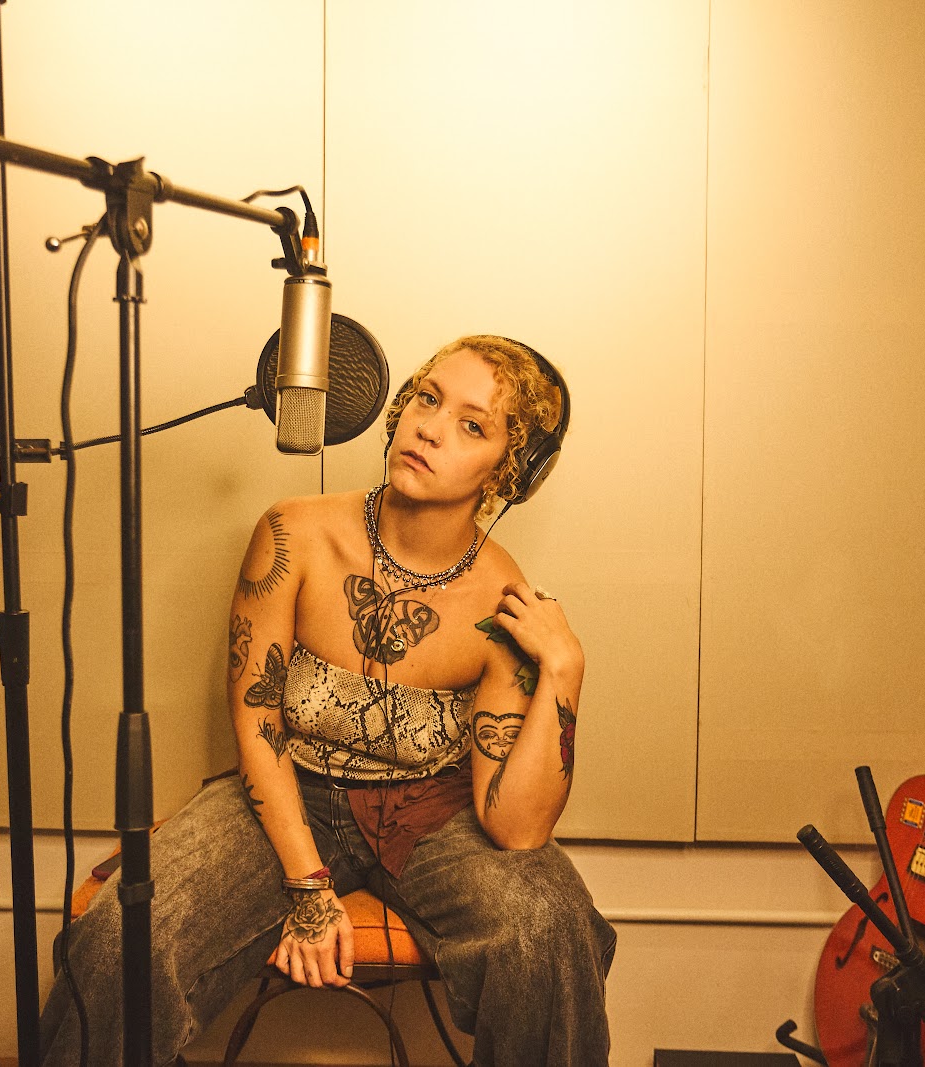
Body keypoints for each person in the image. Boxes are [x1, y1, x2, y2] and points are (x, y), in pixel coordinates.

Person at [41, 335, 614, 1066]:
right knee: (123, 935)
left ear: (510, 470)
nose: (430, 428)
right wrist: (309, 887)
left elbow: (517, 828)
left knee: (550, 929)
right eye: (427, 399)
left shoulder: (501, 602)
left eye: (472, 425)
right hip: (289, 788)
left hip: (432, 811)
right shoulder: (294, 533)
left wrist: (564, 670)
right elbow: (257, 718)